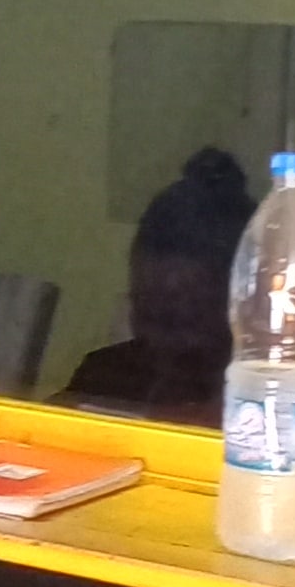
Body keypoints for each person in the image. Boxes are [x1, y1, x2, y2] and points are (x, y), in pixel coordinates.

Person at [54, 147, 258, 424]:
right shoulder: (106, 377)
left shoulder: (277, 404)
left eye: (189, 310)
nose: (168, 335)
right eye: (150, 307)